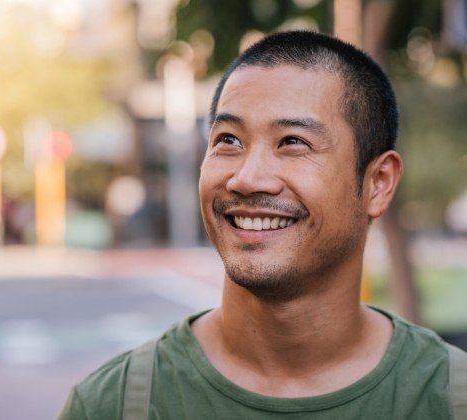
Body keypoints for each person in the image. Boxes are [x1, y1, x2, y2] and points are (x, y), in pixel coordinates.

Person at [59, 31, 467, 420]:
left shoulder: (450, 398)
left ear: (378, 183)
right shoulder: (115, 405)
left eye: (292, 142)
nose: (247, 178)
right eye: (228, 140)